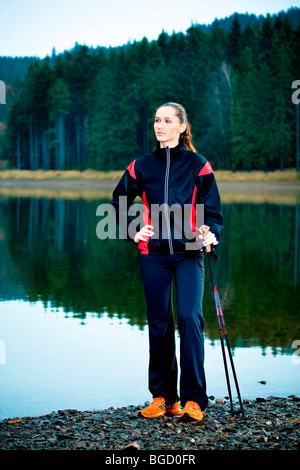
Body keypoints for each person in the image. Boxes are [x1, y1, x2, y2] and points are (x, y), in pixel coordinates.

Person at [112, 102, 223, 421]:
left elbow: (213, 213)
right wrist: (133, 231)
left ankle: (194, 400)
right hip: (154, 255)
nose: (160, 125)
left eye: (167, 120)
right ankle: (163, 397)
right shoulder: (141, 165)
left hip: (189, 254)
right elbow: (117, 203)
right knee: (159, 323)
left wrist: (209, 233)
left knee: (189, 317)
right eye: (157, 120)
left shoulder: (198, 165)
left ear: (182, 127)